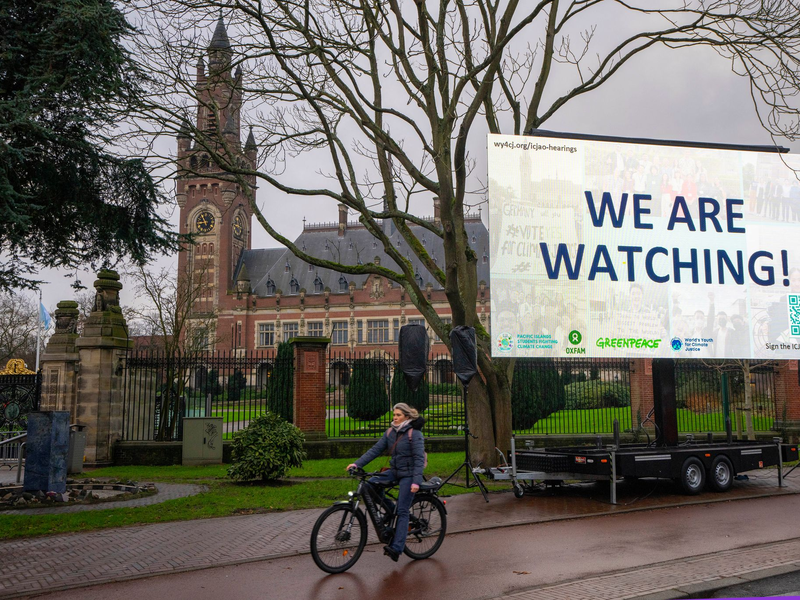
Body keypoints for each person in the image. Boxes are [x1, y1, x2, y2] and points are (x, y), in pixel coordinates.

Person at [346, 403, 425, 562]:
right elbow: (375, 450)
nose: (395, 418)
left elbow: (419, 458)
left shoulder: (414, 433)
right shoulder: (390, 432)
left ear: (407, 417)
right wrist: (357, 464)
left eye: (398, 415)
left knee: (402, 510)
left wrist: (416, 481)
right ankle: (390, 509)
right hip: (395, 471)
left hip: (409, 475)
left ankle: (396, 548)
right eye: (394, 415)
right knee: (369, 486)